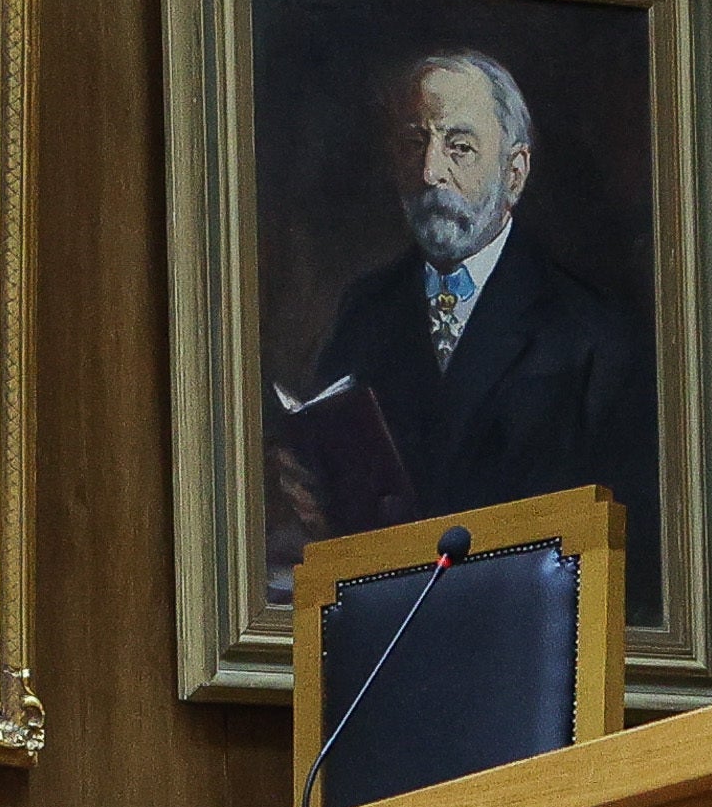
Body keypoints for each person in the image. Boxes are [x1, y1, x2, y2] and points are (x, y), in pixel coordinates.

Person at [268, 46, 659, 619]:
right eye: (415, 143)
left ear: (514, 173)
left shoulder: (593, 334)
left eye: (459, 147)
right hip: (389, 630)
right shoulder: (365, 311)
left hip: (524, 634)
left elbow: (629, 556)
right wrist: (314, 496)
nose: (431, 172)